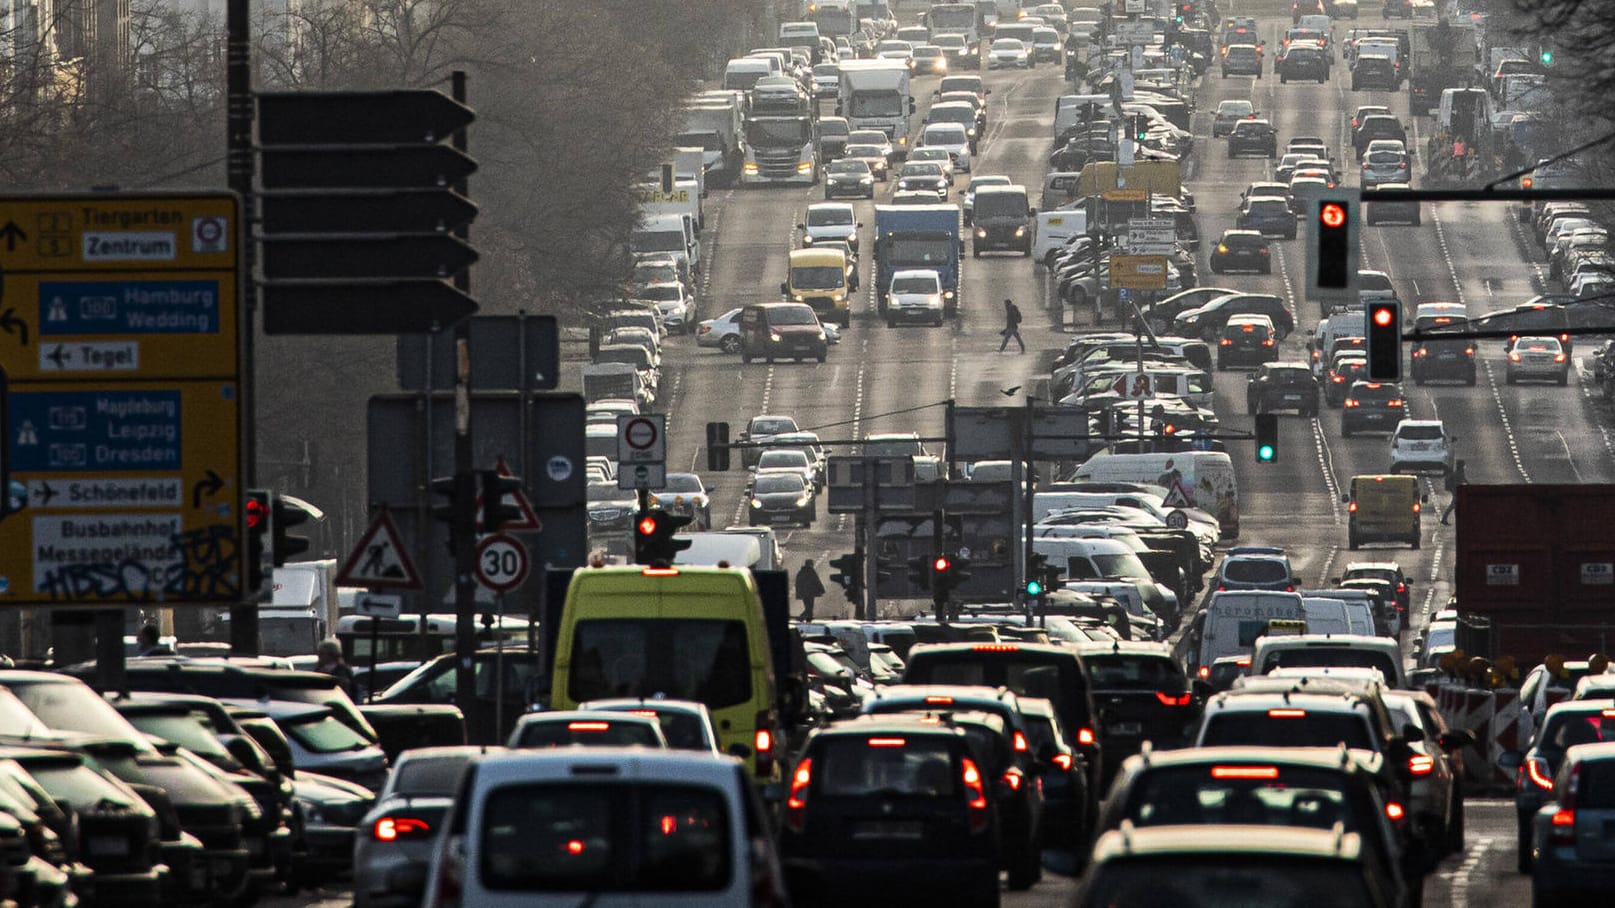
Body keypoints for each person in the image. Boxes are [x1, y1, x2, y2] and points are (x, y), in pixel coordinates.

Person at [1441, 459, 1467, 525]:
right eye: (1464, 465)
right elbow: (1463, 480)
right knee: (1453, 505)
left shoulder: (1459, 472)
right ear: (1462, 466)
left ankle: (1444, 519)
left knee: (1454, 505)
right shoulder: (1459, 473)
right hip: (1456, 491)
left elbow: (1464, 480)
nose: (1465, 467)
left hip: (1456, 491)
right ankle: (1444, 519)